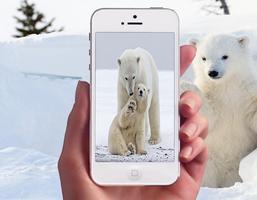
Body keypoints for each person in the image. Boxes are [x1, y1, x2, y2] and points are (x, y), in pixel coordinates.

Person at [58, 45, 208, 200]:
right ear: (119, 68)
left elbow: (145, 108)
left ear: (138, 66)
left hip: (148, 72)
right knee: (124, 109)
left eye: (133, 79)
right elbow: (121, 111)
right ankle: (127, 139)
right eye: (126, 79)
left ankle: (153, 134)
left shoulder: (145, 63)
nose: (130, 86)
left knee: (151, 104)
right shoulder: (123, 72)